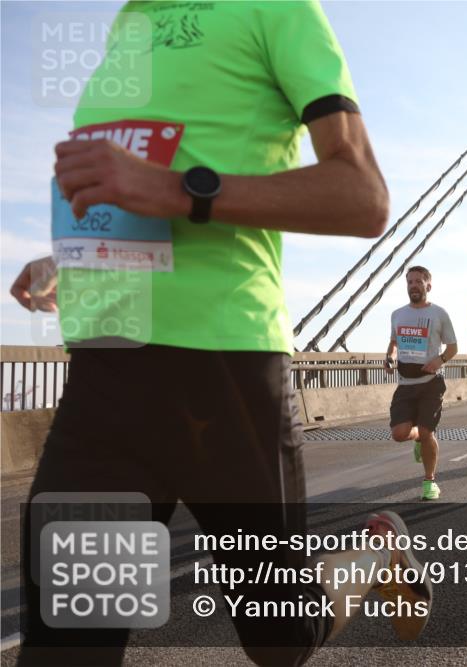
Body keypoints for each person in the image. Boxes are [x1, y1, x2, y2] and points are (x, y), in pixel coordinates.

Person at [9, 3, 431, 664]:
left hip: (225, 373)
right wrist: (69, 263)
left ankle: (378, 549)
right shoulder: (130, 22)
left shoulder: (276, 8)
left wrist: (179, 190)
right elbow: (133, 196)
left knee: (280, 638)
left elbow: (362, 195)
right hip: (104, 382)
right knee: (65, 649)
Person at [384, 266, 457, 501]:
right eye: (410, 282)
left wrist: (440, 360)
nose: (413, 285)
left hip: (430, 383)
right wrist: (390, 358)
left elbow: (453, 347)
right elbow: (394, 343)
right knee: (398, 433)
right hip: (405, 384)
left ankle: (430, 481)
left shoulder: (439, 314)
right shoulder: (397, 314)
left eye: (418, 281)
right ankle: (418, 438)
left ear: (428, 286)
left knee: (427, 432)